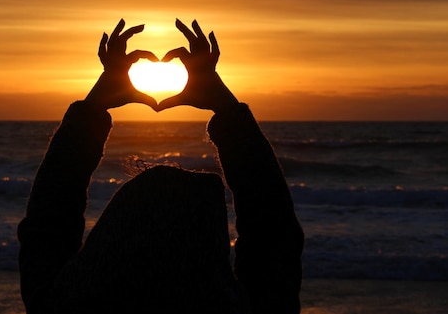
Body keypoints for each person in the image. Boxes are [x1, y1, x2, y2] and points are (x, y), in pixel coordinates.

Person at [17, 19, 304, 314]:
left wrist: (93, 107)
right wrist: (226, 107)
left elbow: (49, 219)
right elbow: (272, 231)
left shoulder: (58, 306)